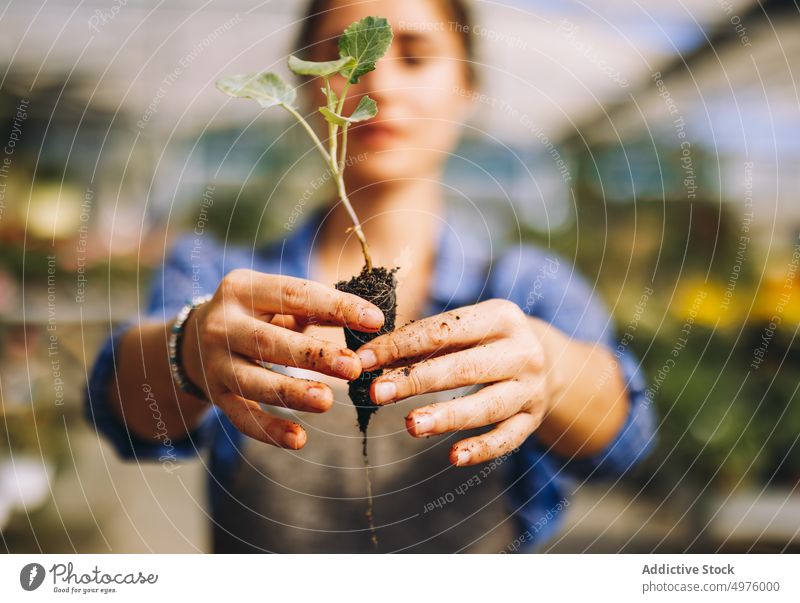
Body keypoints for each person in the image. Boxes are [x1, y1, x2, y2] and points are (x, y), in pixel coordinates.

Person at [85, 0, 657, 553]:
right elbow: (125, 413)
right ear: (310, 88)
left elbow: (624, 440)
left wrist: (549, 367)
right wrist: (188, 348)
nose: (379, 84)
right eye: (341, 59)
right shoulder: (220, 277)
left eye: (414, 55)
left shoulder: (525, 284)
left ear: (467, 88)